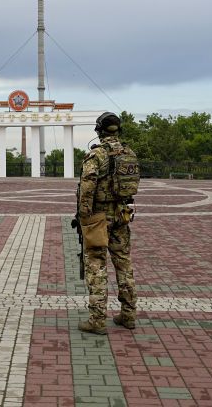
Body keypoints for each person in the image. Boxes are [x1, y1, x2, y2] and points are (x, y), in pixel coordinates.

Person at [77, 111, 139, 334]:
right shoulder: (129, 154)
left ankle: (97, 319)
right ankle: (129, 315)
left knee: (96, 265)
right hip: (122, 216)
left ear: (99, 130)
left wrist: (84, 216)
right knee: (124, 265)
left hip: (99, 218)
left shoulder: (97, 156)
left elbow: (87, 188)